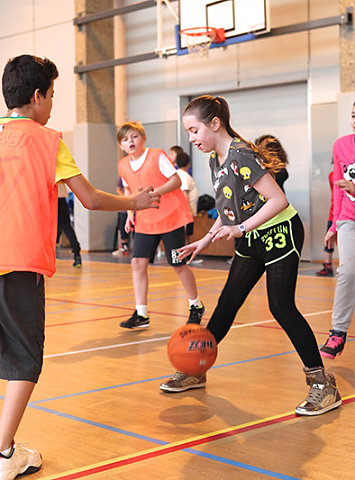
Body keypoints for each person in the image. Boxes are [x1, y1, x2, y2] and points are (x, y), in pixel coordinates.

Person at [0, 54, 159, 480]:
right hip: (18, 263)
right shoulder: (48, 140)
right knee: (25, 360)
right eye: (52, 95)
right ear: (36, 97)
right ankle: (2, 454)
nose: (52, 104)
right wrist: (134, 202)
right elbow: (88, 198)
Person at [160, 94, 342, 417]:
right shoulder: (216, 158)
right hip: (252, 234)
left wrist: (241, 229)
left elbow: (278, 200)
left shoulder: (242, 154)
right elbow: (228, 208)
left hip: (280, 233)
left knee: (280, 306)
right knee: (228, 302)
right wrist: (205, 240)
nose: (191, 139)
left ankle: (322, 384)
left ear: (215, 125)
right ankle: (196, 367)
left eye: (194, 130)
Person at [117, 121, 205, 329]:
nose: (130, 141)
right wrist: (130, 212)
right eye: (125, 139)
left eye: (134, 136)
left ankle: (195, 305)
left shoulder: (156, 155)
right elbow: (130, 190)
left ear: (143, 138)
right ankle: (142, 314)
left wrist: (156, 192)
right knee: (137, 263)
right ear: (121, 146)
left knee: (178, 264)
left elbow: (176, 181)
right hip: (145, 221)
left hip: (171, 218)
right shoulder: (122, 165)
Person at [320, 101, 355, 359]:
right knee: (348, 272)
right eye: (353, 116)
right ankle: (338, 332)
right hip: (349, 219)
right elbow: (338, 188)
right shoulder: (341, 145)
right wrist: (334, 224)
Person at [57, 183, 82, 267]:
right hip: (61, 198)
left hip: (49, 197)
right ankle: (77, 255)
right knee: (67, 227)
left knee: (45, 229)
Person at [316, 170, 335, 276]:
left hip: (347, 212)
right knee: (328, 239)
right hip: (334, 212)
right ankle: (328, 265)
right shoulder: (332, 175)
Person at [112, 177, 130, 256]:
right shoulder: (122, 177)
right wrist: (125, 197)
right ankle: (123, 247)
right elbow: (118, 189)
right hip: (125, 207)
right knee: (122, 226)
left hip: (136, 207)